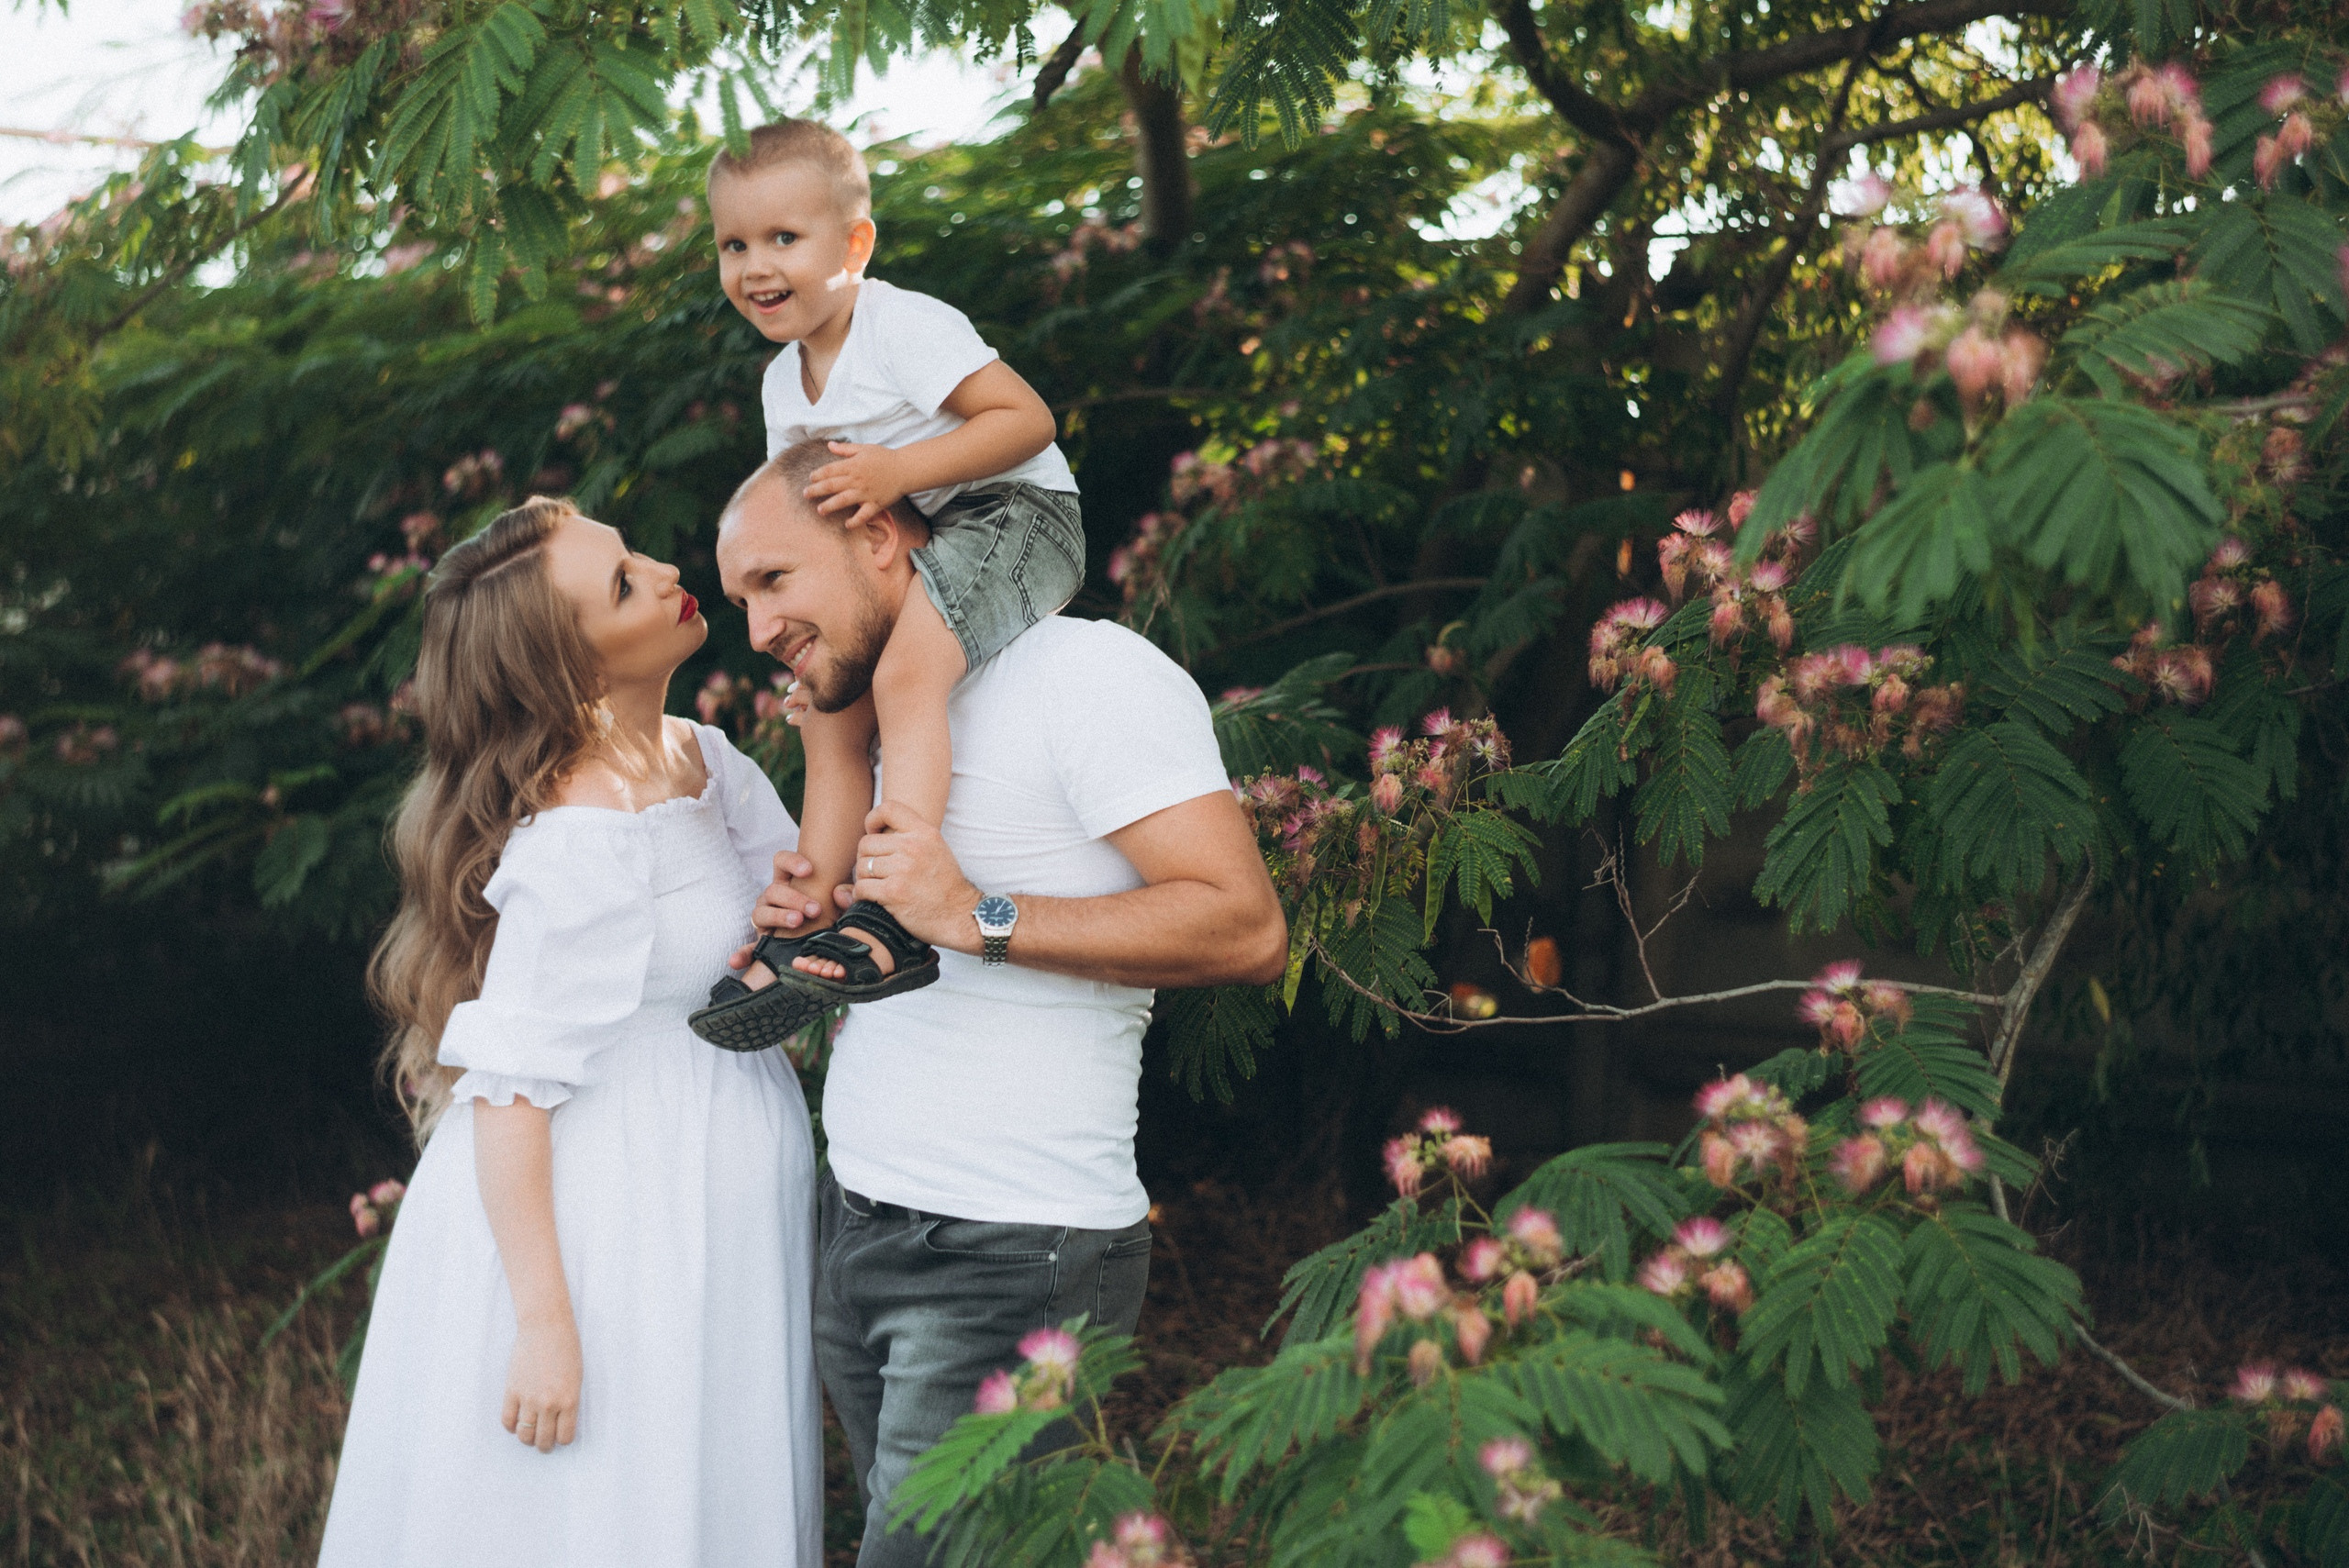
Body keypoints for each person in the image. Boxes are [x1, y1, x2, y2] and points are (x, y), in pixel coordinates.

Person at [712, 443, 1291, 1567]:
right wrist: (810, 914)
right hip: (860, 1221)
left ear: (879, 533)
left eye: (774, 581)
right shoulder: (881, 713)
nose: (755, 630)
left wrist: (975, 912)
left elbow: (1244, 924)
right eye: (739, 599)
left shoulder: (1088, 674)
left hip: (1013, 1247)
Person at [319, 497, 829, 1567]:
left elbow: (799, 901)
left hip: (706, 1183)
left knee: (704, 1484)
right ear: (565, 666)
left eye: (633, 550)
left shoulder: (700, 754)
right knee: (604, 1509)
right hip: (604, 1214)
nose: (662, 569)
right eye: (622, 583)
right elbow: (506, 1091)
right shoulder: (583, 831)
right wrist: (545, 1321)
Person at [689, 117, 1085, 1050]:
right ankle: (815, 902)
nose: (755, 265)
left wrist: (899, 473)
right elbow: (803, 521)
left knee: (905, 674)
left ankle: (896, 903)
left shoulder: (898, 325)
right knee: (832, 704)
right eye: (732, 244)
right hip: (914, 537)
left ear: (854, 244)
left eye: (784, 238)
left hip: (1017, 517)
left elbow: (1025, 418)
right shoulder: (783, 384)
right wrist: (807, 635)